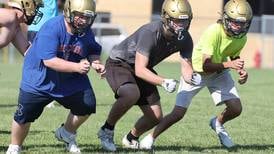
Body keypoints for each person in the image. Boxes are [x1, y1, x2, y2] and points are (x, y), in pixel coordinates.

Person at [140, 0, 253, 149]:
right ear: (225, 18)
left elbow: (233, 55)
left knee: (236, 108)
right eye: (234, 23)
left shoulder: (241, 38)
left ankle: (217, 123)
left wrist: (240, 70)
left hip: (219, 72)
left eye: (242, 24)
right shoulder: (214, 31)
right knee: (178, 113)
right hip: (195, 72)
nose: (238, 27)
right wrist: (229, 65)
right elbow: (206, 65)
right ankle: (150, 138)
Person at [6, 0, 104, 153]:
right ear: (68, 12)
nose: (84, 20)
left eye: (87, 16)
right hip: (39, 78)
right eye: (79, 16)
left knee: (87, 104)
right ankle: (15, 146)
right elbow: (49, 61)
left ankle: (66, 133)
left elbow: (92, 49)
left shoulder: (86, 30)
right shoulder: (52, 27)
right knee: (24, 116)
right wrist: (77, 67)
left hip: (69, 80)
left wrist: (96, 63)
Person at [97, 0, 196, 152]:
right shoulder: (151, 32)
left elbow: (186, 68)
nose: (181, 25)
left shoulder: (185, 39)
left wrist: (193, 77)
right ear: (166, 18)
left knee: (155, 117)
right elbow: (140, 70)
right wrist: (163, 82)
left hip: (143, 67)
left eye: (184, 20)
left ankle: (131, 138)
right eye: (177, 20)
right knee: (131, 93)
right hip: (120, 63)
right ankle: (106, 130)